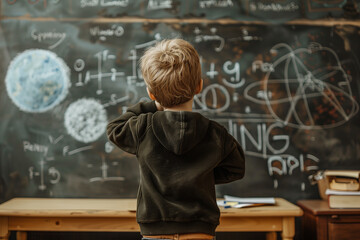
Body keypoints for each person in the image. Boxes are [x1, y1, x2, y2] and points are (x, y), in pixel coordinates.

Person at [107, 39, 245, 240]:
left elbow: (114, 128)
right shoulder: (216, 133)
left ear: (151, 93)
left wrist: (152, 105)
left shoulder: (143, 127)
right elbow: (236, 168)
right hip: (200, 231)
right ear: (199, 86)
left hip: (155, 231)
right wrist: (200, 176)